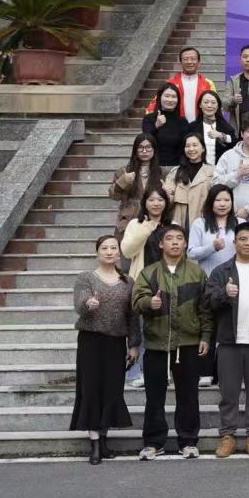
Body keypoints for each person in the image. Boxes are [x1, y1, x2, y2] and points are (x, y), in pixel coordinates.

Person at [131, 225, 212, 459]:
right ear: (161, 244)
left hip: (188, 343)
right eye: (169, 239)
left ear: (185, 244)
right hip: (157, 344)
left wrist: (205, 336)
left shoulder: (196, 273)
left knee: (188, 395)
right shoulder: (149, 272)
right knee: (154, 397)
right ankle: (153, 442)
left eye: (179, 238)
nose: (175, 242)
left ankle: (188, 441)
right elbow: (136, 302)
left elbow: (205, 308)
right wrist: (149, 303)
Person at [205, 222, 249, 458]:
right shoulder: (221, 271)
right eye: (243, 239)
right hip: (228, 341)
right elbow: (208, 302)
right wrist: (224, 294)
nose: (247, 243)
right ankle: (227, 435)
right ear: (234, 242)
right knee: (228, 393)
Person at [71, 235, 139, 464]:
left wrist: (133, 344)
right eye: (104, 248)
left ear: (119, 252)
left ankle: (104, 439)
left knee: (111, 390)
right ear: (97, 252)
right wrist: (88, 304)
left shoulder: (128, 282)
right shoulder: (86, 278)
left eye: (113, 248)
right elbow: (80, 303)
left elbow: (132, 316)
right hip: (91, 341)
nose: (109, 252)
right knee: (91, 389)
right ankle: (95, 445)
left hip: (116, 342)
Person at [110, 134, 162, 239]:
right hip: (129, 220)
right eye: (140, 147)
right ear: (135, 150)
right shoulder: (125, 171)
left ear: (154, 150)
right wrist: (122, 182)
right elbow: (114, 196)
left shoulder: (162, 172)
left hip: (153, 220)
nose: (144, 151)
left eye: (148, 147)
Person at [146, 46, 217, 122]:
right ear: (180, 63)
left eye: (193, 59)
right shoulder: (170, 83)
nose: (189, 62)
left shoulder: (208, 83)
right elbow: (155, 104)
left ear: (199, 62)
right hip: (175, 125)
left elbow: (215, 106)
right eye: (185, 59)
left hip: (200, 125)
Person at [163, 133, 213, 231]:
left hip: (203, 219)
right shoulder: (176, 172)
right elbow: (168, 195)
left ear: (203, 148)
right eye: (187, 146)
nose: (191, 149)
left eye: (195, 145)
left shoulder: (212, 172)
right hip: (179, 219)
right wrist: (166, 193)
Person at [188, 185, 238, 272]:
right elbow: (191, 253)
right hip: (208, 277)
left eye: (227, 200)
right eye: (217, 200)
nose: (222, 204)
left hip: (234, 276)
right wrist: (212, 247)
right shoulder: (199, 223)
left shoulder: (241, 223)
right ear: (210, 202)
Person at [121, 187, 172, 269]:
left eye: (160, 200)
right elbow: (127, 252)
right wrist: (144, 231)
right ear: (144, 202)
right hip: (143, 274)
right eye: (151, 200)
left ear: (166, 203)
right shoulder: (135, 224)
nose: (156, 203)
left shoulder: (172, 226)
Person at [143, 82, 191, 167]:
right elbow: (145, 142)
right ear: (160, 97)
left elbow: (185, 147)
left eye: (174, 97)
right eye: (167, 96)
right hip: (154, 167)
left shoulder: (182, 121)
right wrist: (156, 126)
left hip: (176, 167)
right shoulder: (149, 119)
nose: (170, 100)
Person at [191, 90, 236, 168]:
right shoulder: (192, 127)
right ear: (200, 105)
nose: (209, 105)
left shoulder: (226, 127)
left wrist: (222, 136)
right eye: (206, 102)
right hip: (197, 170)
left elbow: (235, 144)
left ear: (218, 106)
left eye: (213, 102)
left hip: (220, 170)